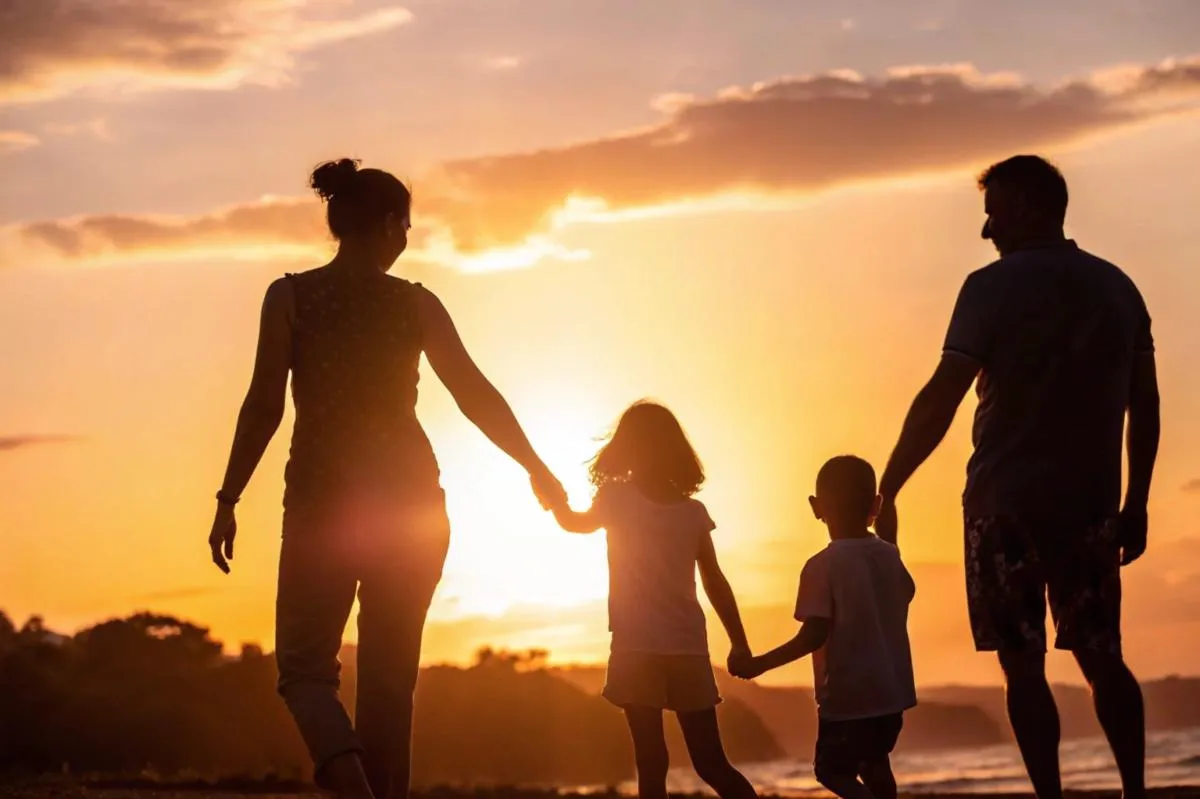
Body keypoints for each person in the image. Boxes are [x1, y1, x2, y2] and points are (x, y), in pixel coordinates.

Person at [206, 158, 566, 799]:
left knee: (306, 671)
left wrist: (229, 497)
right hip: (412, 508)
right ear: (387, 227)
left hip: (323, 505)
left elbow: (264, 404)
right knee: (389, 686)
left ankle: (351, 786)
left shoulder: (290, 297)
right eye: (406, 225)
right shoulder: (415, 303)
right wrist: (535, 468)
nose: (407, 240)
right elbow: (474, 393)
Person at [874, 155, 1159, 799]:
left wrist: (891, 482)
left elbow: (943, 395)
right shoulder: (1118, 287)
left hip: (1003, 505)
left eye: (993, 213)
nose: (986, 231)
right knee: (1100, 653)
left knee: (1021, 666)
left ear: (1030, 205)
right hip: (1090, 504)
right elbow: (1147, 405)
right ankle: (1136, 792)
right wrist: (1136, 500)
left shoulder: (989, 287)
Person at [547, 401, 757, 799]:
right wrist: (738, 641)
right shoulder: (692, 512)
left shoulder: (616, 498)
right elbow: (715, 581)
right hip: (686, 645)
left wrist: (552, 498)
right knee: (711, 763)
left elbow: (574, 524)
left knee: (651, 759)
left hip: (636, 646)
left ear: (625, 448)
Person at [730, 456, 915, 799]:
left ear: (816, 507)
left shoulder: (822, 567)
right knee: (875, 762)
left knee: (830, 770)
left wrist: (759, 665)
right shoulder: (889, 556)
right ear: (875, 505)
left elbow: (813, 635)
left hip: (848, 699)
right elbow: (908, 591)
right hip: (892, 695)